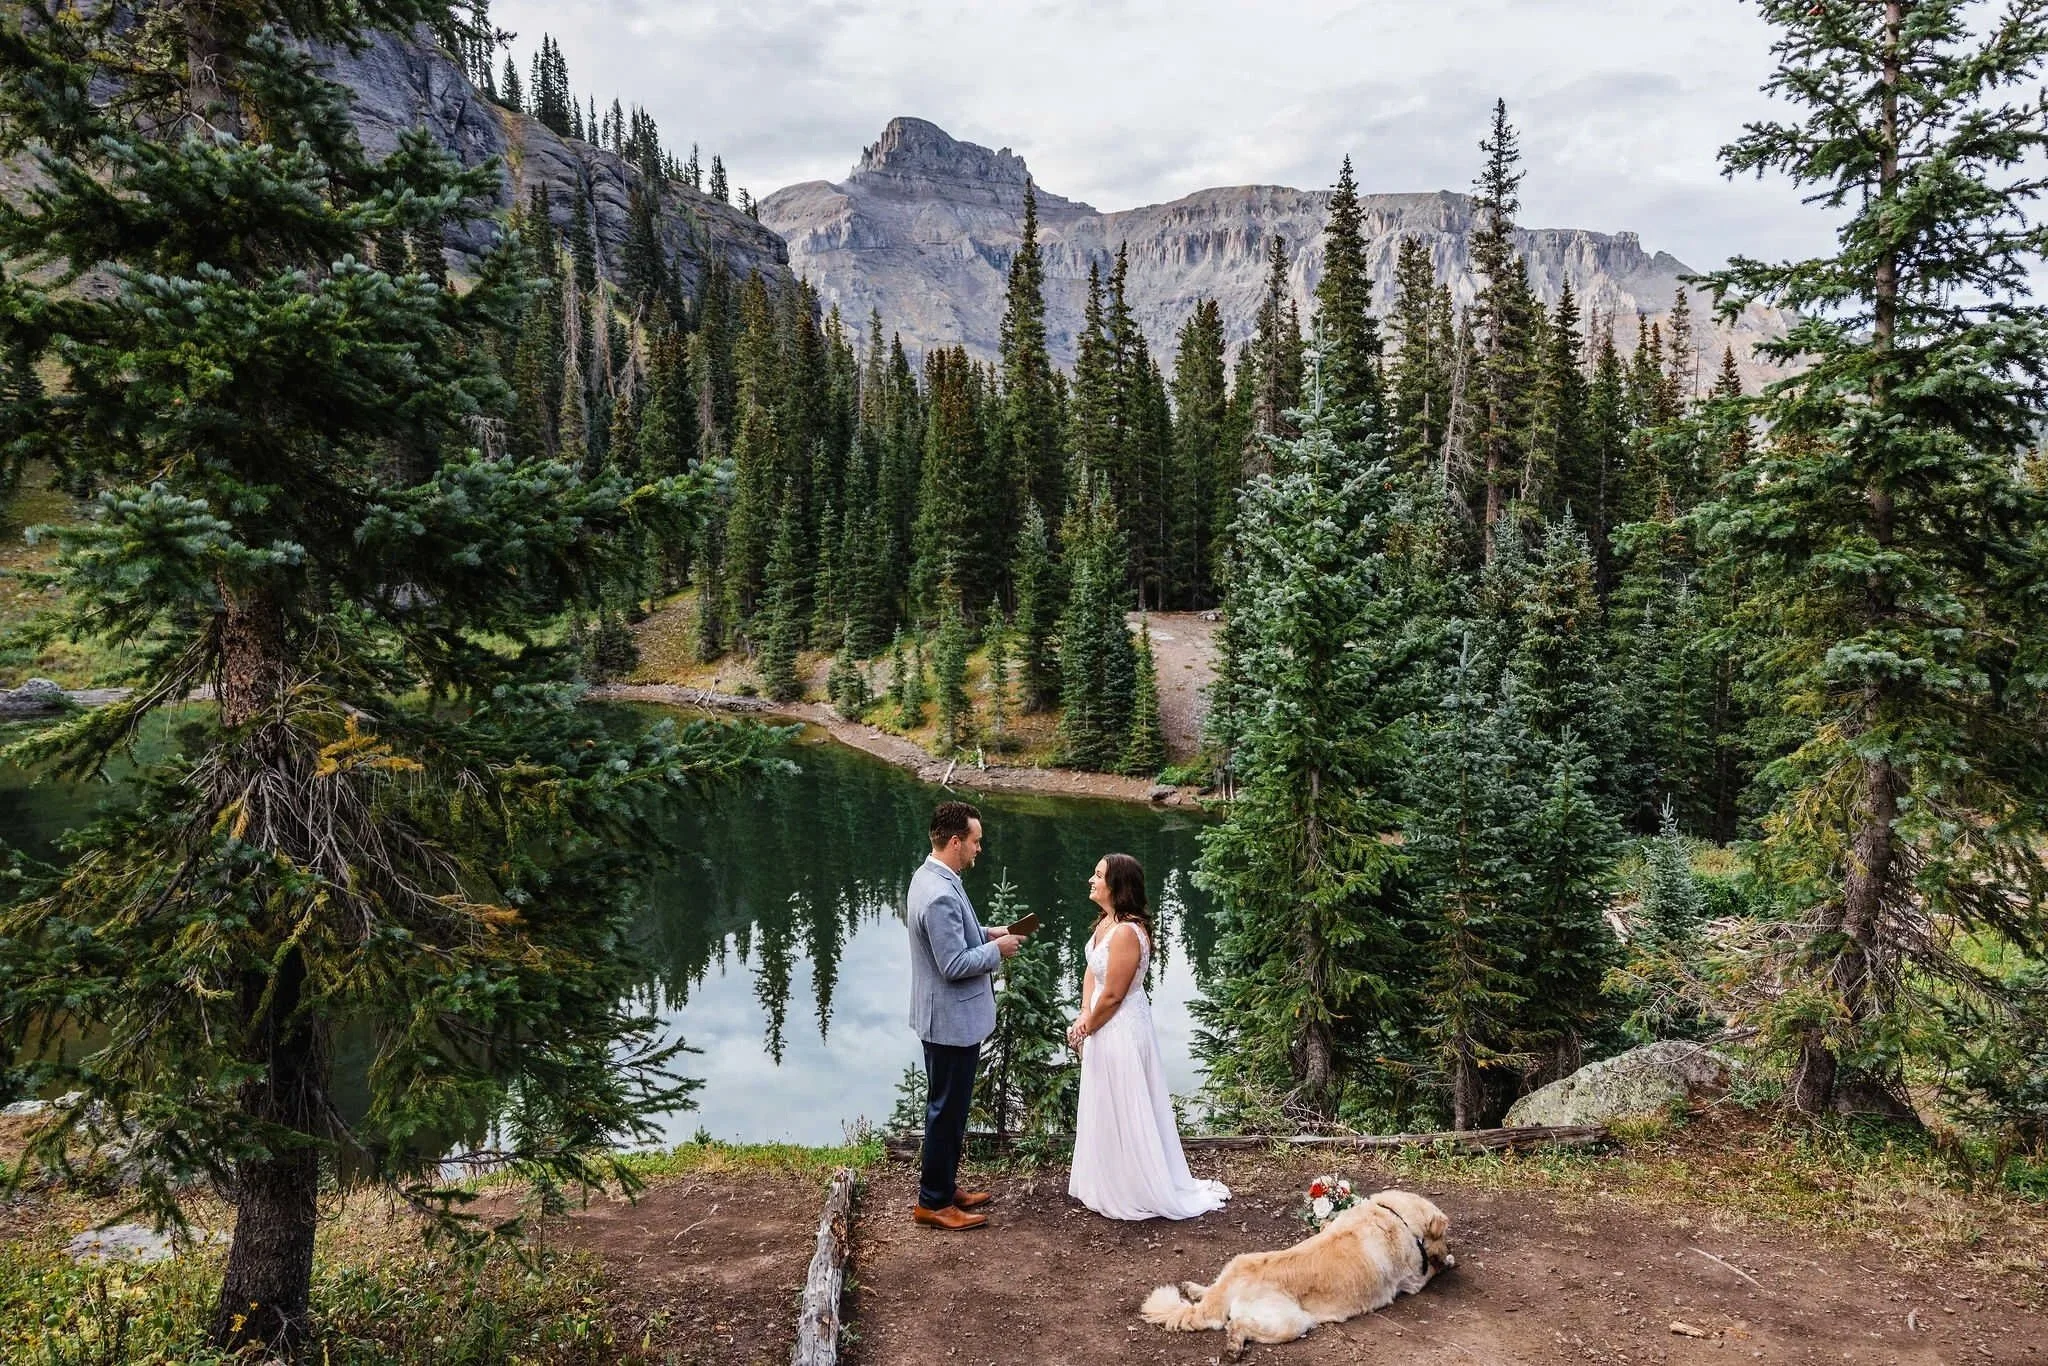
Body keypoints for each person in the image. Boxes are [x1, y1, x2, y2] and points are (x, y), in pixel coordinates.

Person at [1066, 853, 1230, 1221]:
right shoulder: (1105, 923)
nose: (1091, 881)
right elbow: (1092, 975)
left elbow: (1114, 994)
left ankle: (1134, 1186)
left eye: (1098, 876)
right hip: (1100, 1023)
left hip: (1121, 1027)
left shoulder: (1127, 931)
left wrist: (1087, 1027)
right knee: (1105, 1100)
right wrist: (1082, 1014)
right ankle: (1107, 1179)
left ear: (1117, 886)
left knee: (1126, 1100)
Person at [905, 800, 1022, 1230]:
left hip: (944, 1019)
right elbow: (952, 965)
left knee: (949, 1108)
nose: (978, 849)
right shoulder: (938, 894)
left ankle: (943, 1184)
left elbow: (955, 938)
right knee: (946, 1111)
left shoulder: (933, 876)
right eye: (975, 842)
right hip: (949, 1023)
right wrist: (998, 951)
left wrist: (993, 932)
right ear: (955, 841)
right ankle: (933, 1203)